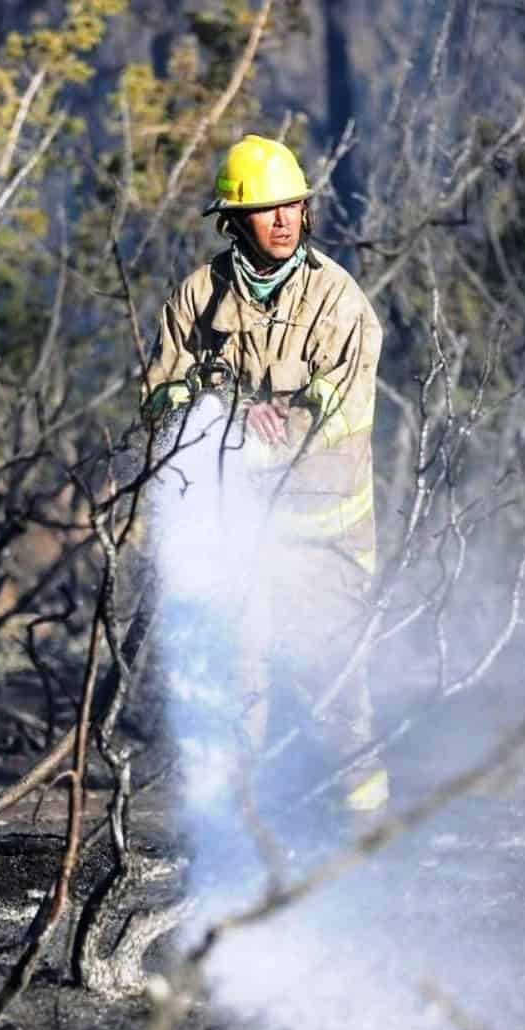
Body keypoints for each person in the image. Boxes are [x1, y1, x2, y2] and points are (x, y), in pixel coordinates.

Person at [140, 133, 388, 816]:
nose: (282, 221)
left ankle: (370, 839)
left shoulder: (339, 302)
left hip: (325, 542)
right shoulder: (198, 297)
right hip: (235, 538)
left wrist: (285, 430)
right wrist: (227, 412)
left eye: (292, 206)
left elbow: (347, 405)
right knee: (235, 689)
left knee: (336, 696)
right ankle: (238, 839)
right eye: (265, 210)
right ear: (232, 220)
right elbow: (159, 396)